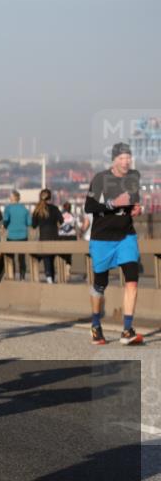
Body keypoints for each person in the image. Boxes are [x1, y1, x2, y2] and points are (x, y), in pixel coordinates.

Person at [85, 142, 144, 346]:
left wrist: (136, 210)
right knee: (100, 285)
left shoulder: (134, 177)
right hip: (102, 238)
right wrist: (111, 205)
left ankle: (127, 329)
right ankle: (95, 324)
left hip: (126, 236)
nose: (126, 161)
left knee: (132, 280)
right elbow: (89, 206)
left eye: (128, 157)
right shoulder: (101, 179)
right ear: (114, 160)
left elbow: (134, 202)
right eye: (121, 158)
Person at [31, 189, 63, 283]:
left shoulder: (38, 210)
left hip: (44, 237)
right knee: (51, 259)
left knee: (46, 258)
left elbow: (33, 225)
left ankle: (49, 277)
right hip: (54, 237)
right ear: (50, 197)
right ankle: (51, 277)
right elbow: (61, 221)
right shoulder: (54, 208)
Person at [1, 190, 30, 280]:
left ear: (13, 198)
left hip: (12, 236)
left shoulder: (8, 208)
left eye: (10, 196)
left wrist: (4, 226)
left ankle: (11, 275)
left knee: (10, 257)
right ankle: (22, 276)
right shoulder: (25, 209)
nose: (9, 198)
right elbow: (29, 222)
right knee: (22, 258)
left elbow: (5, 220)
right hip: (23, 236)